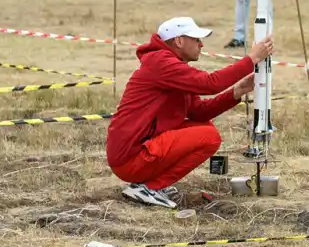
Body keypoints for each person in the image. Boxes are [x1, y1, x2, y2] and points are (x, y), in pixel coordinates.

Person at [106, 17, 275, 208]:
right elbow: (210, 83)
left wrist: (236, 92)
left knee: (203, 128)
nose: (201, 44)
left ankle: (152, 186)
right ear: (179, 41)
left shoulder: (172, 66)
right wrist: (251, 59)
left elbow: (199, 113)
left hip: (134, 153)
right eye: (196, 39)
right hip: (130, 157)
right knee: (209, 136)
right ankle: (149, 187)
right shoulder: (161, 62)